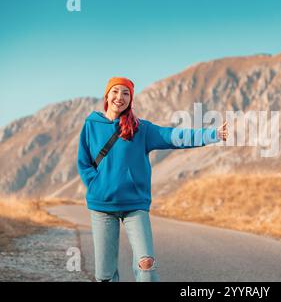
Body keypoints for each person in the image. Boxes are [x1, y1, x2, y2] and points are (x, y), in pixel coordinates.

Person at [77, 77, 228, 282]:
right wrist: (96, 185)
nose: (119, 97)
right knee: (104, 274)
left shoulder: (141, 129)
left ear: (131, 99)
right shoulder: (91, 125)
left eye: (125, 93)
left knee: (146, 264)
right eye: (115, 91)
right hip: (102, 206)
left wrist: (212, 134)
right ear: (107, 95)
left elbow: (174, 136)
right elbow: (84, 162)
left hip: (135, 205)